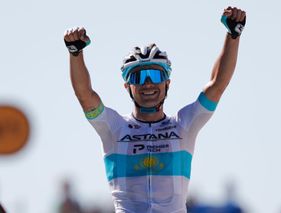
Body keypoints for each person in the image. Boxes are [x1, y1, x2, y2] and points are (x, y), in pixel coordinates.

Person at [64, 6, 246, 213]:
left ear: (167, 83)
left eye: (156, 76)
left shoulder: (183, 124)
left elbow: (217, 85)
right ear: (127, 87)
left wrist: (233, 35)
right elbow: (85, 95)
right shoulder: (114, 127)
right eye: (139, 77)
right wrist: (75, 53)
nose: (148, 84)